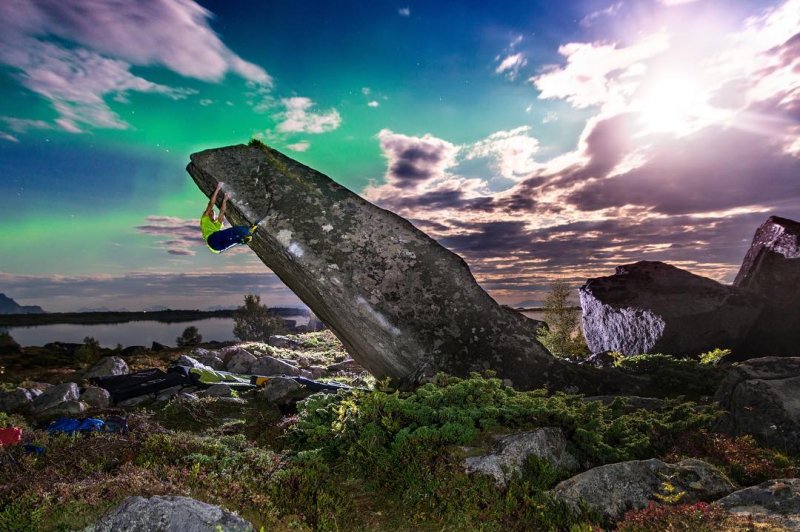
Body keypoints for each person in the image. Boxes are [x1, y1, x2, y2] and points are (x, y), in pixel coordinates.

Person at [201, 182, 256, 253]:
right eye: (210, 212)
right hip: (212, 240)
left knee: (233, 240)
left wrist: (225, 200)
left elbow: (222, 212)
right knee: (233, 231)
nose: (211, 213)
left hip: (218, 248)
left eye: (213, 213)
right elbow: (211, 204)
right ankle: (248, 230)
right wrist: (218, 188)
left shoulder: (217, 225)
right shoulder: (205, 219)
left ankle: (241, 239)